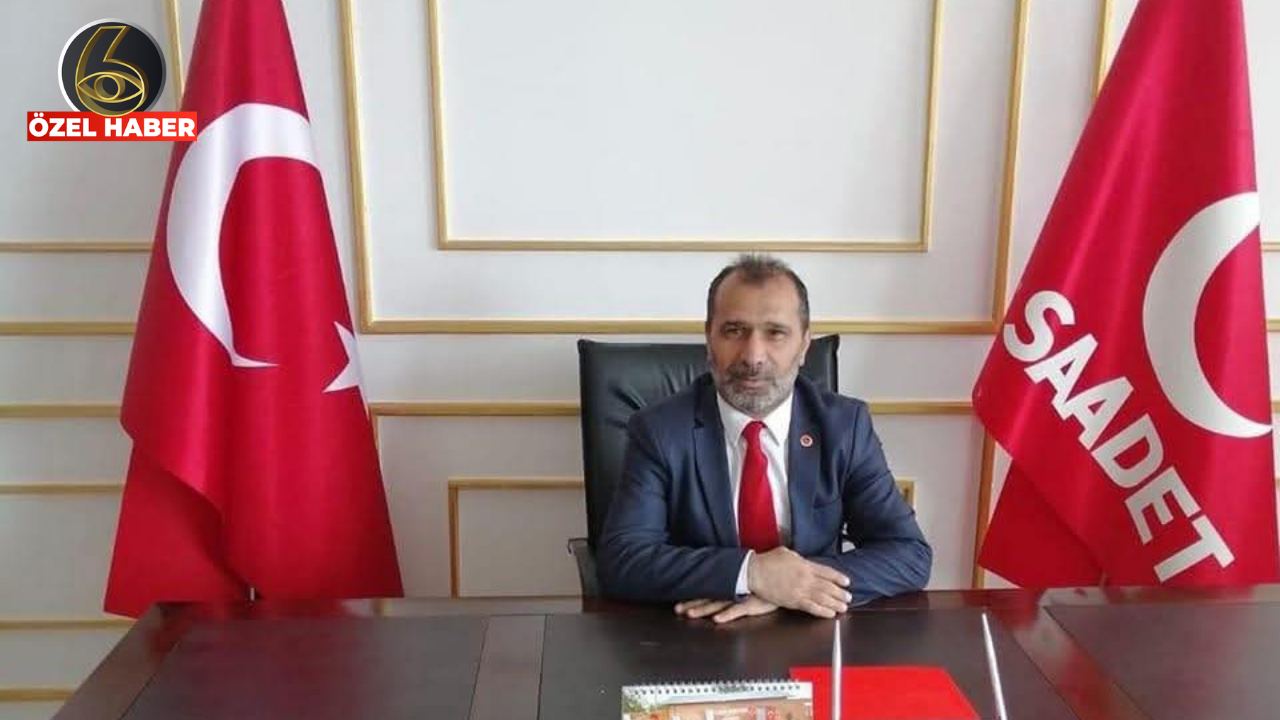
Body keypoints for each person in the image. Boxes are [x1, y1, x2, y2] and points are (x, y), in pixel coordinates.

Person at [597, 254, 931, 623]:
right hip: (699, 636)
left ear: (804, 345)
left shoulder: (844, 426)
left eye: (775, 333)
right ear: (709, 340)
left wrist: (793, 586)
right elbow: (623, 560)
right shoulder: (660, 430)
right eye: (734, 331)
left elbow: (909, 553)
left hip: (812, 630)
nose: (753, 356)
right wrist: (751, 573)